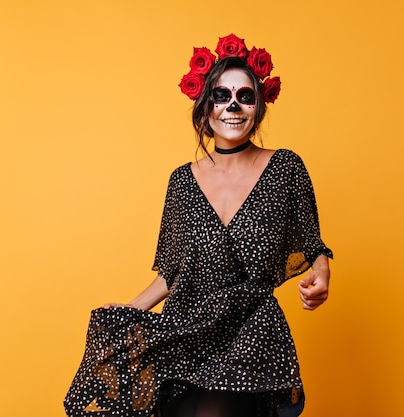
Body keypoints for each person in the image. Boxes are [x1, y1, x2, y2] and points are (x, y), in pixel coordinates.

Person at [64, 34, 332, 417]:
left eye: (245, 96)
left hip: (248, 327)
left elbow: (312, 242)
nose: (233, 106)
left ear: (258, 106)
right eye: (222, 96)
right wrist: (131, 308)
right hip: (186, 327)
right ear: (205, 108)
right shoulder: (182, 182)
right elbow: (174, 271)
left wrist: (322, 273)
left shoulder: (285, 168)